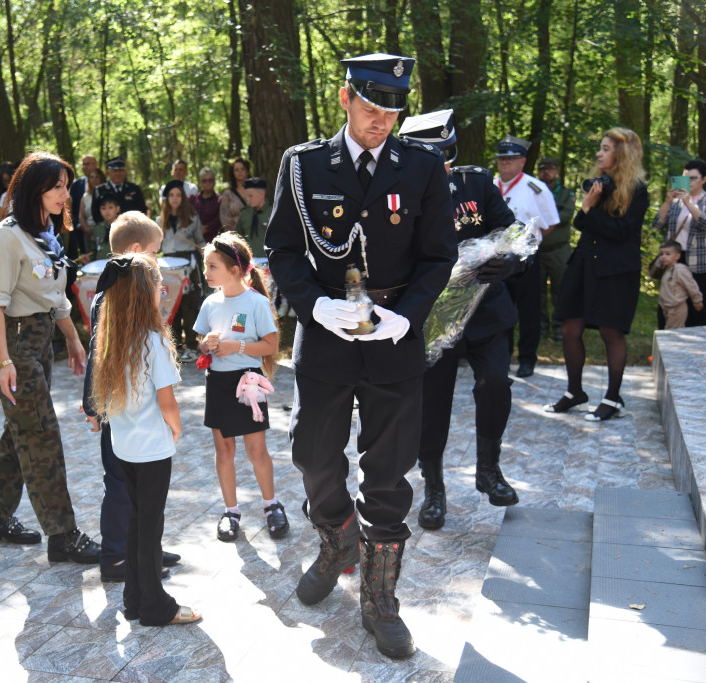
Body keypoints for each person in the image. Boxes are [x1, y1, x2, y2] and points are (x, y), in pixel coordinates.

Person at [265, 53, 457, 660]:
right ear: (345, 97)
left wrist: (408, 315)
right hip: (326, 335)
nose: (383, 122)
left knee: (389, 472)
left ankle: (380, 599)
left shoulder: (422, 166)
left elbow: (438, 256)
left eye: (393, 112)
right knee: (312, 453)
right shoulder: (303, 164)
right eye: (372, 109)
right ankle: (337, 539)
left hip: (393, 338)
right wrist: (314, 306)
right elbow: (283, 250)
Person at [399, 110, 521, 530]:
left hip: (487, 310)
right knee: (432, 407)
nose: (444, 167)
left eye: (448, 157)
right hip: (433, 321)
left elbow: (511, 231)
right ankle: (434, 490)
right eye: (436, 159)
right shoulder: (398, 194)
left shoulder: (476, 182)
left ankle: (489, 470)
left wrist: (508, 261)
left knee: (496, 384)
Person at [0, 151, 101, 563]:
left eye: (66, 186)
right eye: (55, 186)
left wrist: (73, 339)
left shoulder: (46, 232)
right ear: (33, 189)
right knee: (41, 434)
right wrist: (4, 362)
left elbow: (55, 296)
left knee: (21, 430)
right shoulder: (7, 236)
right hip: (13, 344)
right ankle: (64, 536)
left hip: (40, 337)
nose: (64, 194)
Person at [89, 251, 200, 626]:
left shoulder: (112, 338)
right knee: (150, 528)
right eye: (157, 283)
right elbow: (167, 400)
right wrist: (177, 426)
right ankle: (156, 606)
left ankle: (134, 598)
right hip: (152, 450)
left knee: (138, 522)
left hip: (124, 447)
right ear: (143, 293)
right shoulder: (153, 339)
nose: (162, 288)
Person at [81, 211, 182, 582]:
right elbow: (97, 352)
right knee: (121, 484)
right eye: (155, 253)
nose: (158, 260)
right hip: (116, 408)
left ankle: (144, 551)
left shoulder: (128, 293)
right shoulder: (113, 295)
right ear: (138, 251)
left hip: (128, 405)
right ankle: (117, 557)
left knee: (138, 488)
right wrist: (92, 404)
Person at [544, 127, 650, 422]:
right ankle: (574, 392)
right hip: (585, 265)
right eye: (600, 148)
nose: (599, 154)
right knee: (569, 329)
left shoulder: (638, 191)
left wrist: (591, 209)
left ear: (621, 154)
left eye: (605, 149)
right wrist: (589, 206)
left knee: (610, 331)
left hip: (617, 270)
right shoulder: (599, 185)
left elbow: (620, 232)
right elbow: (580, 221)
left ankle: (612, 398)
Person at [194, 232, 287, 542]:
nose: (205, 273)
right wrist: (205, 344)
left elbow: (271, 345)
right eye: (205, 266)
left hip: (249, 383)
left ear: (234, 269)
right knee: (224, 449)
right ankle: (231, 511)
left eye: (211, 266)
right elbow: (201, 341)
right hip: (218, 383)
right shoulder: (209, 303)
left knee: (256, 449)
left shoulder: (257, 302)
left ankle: (271, 505)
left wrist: (238, 347)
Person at [494, 135, 560, 378]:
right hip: (498, 256)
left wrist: (529, 241)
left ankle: (527, 358)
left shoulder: (535, 188)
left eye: (511, 159)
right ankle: (503, 355)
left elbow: (550, 223)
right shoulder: (489, 185)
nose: (505, 164)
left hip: (526, 257)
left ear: (522, 162)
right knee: (500, 308)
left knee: (529, 309)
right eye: (502, 159)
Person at [652, 158, 706, 328]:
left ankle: (696, 352)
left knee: (696, 311)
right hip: (674, 261)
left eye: (693, 178)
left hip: (698, 264)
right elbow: (657, 224)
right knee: (668, 307)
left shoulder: (704, 201)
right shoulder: (675, 202)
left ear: (704, 180)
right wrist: (668, 201)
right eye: (685, 177)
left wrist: (689, 203)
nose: (689, 182)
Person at [160, 179, 205, 362]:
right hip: (168, 265)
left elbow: (200, 240)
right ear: (166, 198)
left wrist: (205, 251)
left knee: (189, 306)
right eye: (171, 195)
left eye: (178, 195)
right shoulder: (159, 220)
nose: (175, 198)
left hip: (188, 263)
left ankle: (192, 346)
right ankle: (176, 345)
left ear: (183, 197)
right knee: (172, 306)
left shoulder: (192, 218)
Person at [536, 157, 576, 341]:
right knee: (538, 292)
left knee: (561, 289)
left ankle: (559, 327)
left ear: (557, 171)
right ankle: (541, 327)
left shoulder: (565, 194)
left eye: (550, 169)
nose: (546, 172)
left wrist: (543, 219)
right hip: (538, 249)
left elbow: (565, 216)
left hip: (559, 250)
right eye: (543, 169)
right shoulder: (533, 191)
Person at [657, 239, 704, 329]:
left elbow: (692, 287)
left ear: (677, 256)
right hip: (667, 308)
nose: (663, 257)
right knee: (668, 330)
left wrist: (697, 301)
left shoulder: (680, 270)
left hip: (676, 308)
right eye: (661, 254)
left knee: (674, 332)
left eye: (668, 254)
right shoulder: (667, 270)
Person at [234, 177, 272, 258]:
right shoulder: (245, 214)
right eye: (246, 196)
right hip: (250, 261)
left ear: (262, 194)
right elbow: (237, 237)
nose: (247, 199)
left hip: (270, 261)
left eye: (250, 196)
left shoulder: (273, 212)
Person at [190, 167, 222, 241]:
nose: (207, 183)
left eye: (210, 180)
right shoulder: (192, 200)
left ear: (214, 181)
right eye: (204, 181)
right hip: (193, 241)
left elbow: (219, 219)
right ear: (200, 183)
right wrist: (196, 229)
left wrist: (206, 228)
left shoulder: (220, 200)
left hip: (213, 240)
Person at [219, 157, 250, 232]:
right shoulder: (228, 193)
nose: (240, 172)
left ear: (247, 171)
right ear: (233, 173)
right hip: (235, 235)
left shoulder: (255, 191)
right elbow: (224, 216)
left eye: (242, 169)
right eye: (236, 170)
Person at [89, 194, 120, 262]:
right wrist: (88, 259)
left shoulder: (123, 227)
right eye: (103, 208)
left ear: (117, 209)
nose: (107, 211)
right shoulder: (97, 229)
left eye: (110, 207)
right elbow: (94, 251)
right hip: (100, 265)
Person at [80, 168, 107, 239]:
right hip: (89, 232)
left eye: (97, 177)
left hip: (105, 231)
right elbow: (81, 216)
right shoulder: (85, 197)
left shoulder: (107, 195)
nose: (94, 179)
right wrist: (86, 229)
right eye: (91, 177)